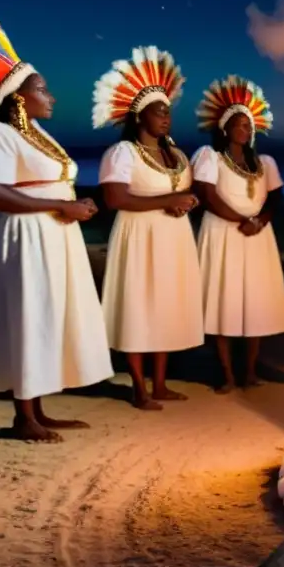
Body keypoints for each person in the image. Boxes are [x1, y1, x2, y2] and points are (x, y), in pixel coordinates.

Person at [0, 21, 113, 442]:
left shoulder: (38, 133)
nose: (52, 96)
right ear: (19, 98)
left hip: (55, 234)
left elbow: (54, 181)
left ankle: (39, 411)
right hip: (27, 236)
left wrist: (76, 205)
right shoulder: (2, 135)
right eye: (43, 90)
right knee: (30, 316)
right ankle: (23, 417)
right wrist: (60, 205)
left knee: (50, 315)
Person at [94, 46, 203, 410]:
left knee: (164, 306)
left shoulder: (178, 156)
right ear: (140, 115)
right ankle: (138, 387)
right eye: (159, 111)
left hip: (173, 237)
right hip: (139, 237)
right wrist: (167, 202)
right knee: (139, 307)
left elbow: (181, 191)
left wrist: (188, 200)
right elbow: (115, 199)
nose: (166, 117)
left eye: (169, 111)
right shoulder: (122, 152)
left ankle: (160, 383)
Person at [192, 76, 284, 392]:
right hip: (223, 233)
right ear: (224, 129)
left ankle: (249, 372)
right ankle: (227, 375)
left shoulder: (266, 163)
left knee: (254, 301)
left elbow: (275, 198)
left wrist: (259, 221)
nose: (245, 130)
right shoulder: (211, 157)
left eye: (248, 126)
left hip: (257, 236)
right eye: (238, 125)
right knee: (225, 300)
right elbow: (207, 194)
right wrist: (241, 220)